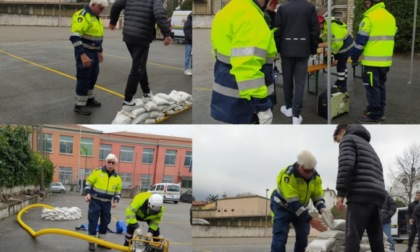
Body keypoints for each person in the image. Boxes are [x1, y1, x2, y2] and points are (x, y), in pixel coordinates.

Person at [210, 0, 277, 124]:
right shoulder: (251, 15)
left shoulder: (227, 10)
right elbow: (247, 66)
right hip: (246, 102)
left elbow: (220, 53)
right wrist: (262, 106)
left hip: (227, 92)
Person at [108, 0, 172, 109]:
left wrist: (113, 21)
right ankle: (128, 100)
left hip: (128, 35)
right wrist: (166, 33)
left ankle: (146, 93)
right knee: (137, 67)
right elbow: (159, 14)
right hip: (141, 36)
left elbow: (116, 5)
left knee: (140, 64)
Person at [333, 124, 386, 252]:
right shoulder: (370, 147)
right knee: (377, 240)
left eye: (339, 139)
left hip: (359, 195)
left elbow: (346, 165)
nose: (340, 142)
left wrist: (340, 194)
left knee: (352, 238)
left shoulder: (348, 139)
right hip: (377, 196)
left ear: (342, 131)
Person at [270, 150, 327, 252]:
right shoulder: (288, 176)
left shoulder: (316, 177)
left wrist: (322, 208)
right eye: (306, 171)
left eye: (311, 170)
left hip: (300, 208)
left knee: (303, 235)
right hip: (282, 206)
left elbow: (317, 196)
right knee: (280, 235)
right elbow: (292, 203)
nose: (309, 174)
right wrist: (310, 220)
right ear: (299, 166)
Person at [273, 0, 319, 124]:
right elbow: (315, 30)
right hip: (303, 50)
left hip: (286, 50)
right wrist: (313, 49)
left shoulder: (283, 8)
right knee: (300, 83)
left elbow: (277, 30)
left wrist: (278, 49)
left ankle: (288, 107)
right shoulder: (309, 8)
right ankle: (296, 115)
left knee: (287, 80)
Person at [350, 0, 397, 123]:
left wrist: (354, 58)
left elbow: (360, 42)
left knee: (372, 88)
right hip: (385, 61)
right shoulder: (390, 16)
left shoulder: (369, 18)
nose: (365, 6)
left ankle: (374, 114)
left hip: (371, 62)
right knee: (380, 87)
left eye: (365, 3)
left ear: (370, 3)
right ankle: (379, 111)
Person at [69, 0, 107, 116]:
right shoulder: (82, 16)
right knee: (84, 77)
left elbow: (98, 36)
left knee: (93, 75)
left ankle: (89, 99)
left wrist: (100, 51)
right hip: (84, 51)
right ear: (93, 4)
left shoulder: (96, 16)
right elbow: (74, 37)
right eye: (100, 8)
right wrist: (83, 55)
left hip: (94, 52)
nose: (101, 11)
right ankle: (79, 105)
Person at [84, 153, 122, 251]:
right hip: (95, 202)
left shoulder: (117, 178)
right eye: (109, 162)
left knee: (105, 222)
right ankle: (91, 242)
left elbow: (118, 192)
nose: (110, 164)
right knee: (93, 221)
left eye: (112, 163)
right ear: (105, 162)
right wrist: (88, 193)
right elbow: (88, 183)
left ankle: (101, 242)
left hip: (107, 203)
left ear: (115, 164)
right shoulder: (97, 172)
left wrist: (116, 200)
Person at [317, 15, 354, 93]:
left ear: (321, 24)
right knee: (342, 66)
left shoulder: (332, 28)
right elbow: (325, 38)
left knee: (340, 67)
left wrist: (330, 52)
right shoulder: (326, 27)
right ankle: (343, 84)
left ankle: (340, 85)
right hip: (344, 47)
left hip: (345, 48)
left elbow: (337, 44)